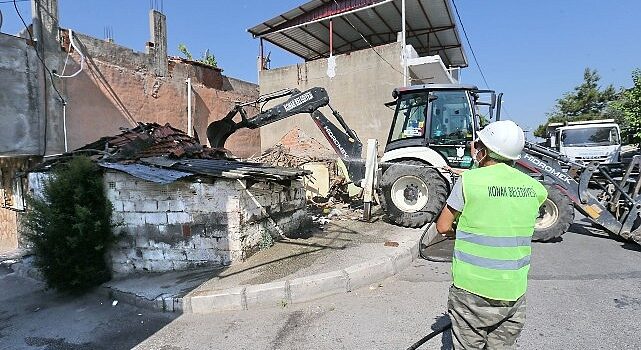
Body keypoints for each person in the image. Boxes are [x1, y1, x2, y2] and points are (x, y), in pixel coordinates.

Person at [436, 120, 548, 349]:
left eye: (477, 145)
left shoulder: (469, 182)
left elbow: (443, 226)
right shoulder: (535, 189)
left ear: (483, 151)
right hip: (512, 290)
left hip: (471, 290)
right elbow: (502, 204)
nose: (474, 147)